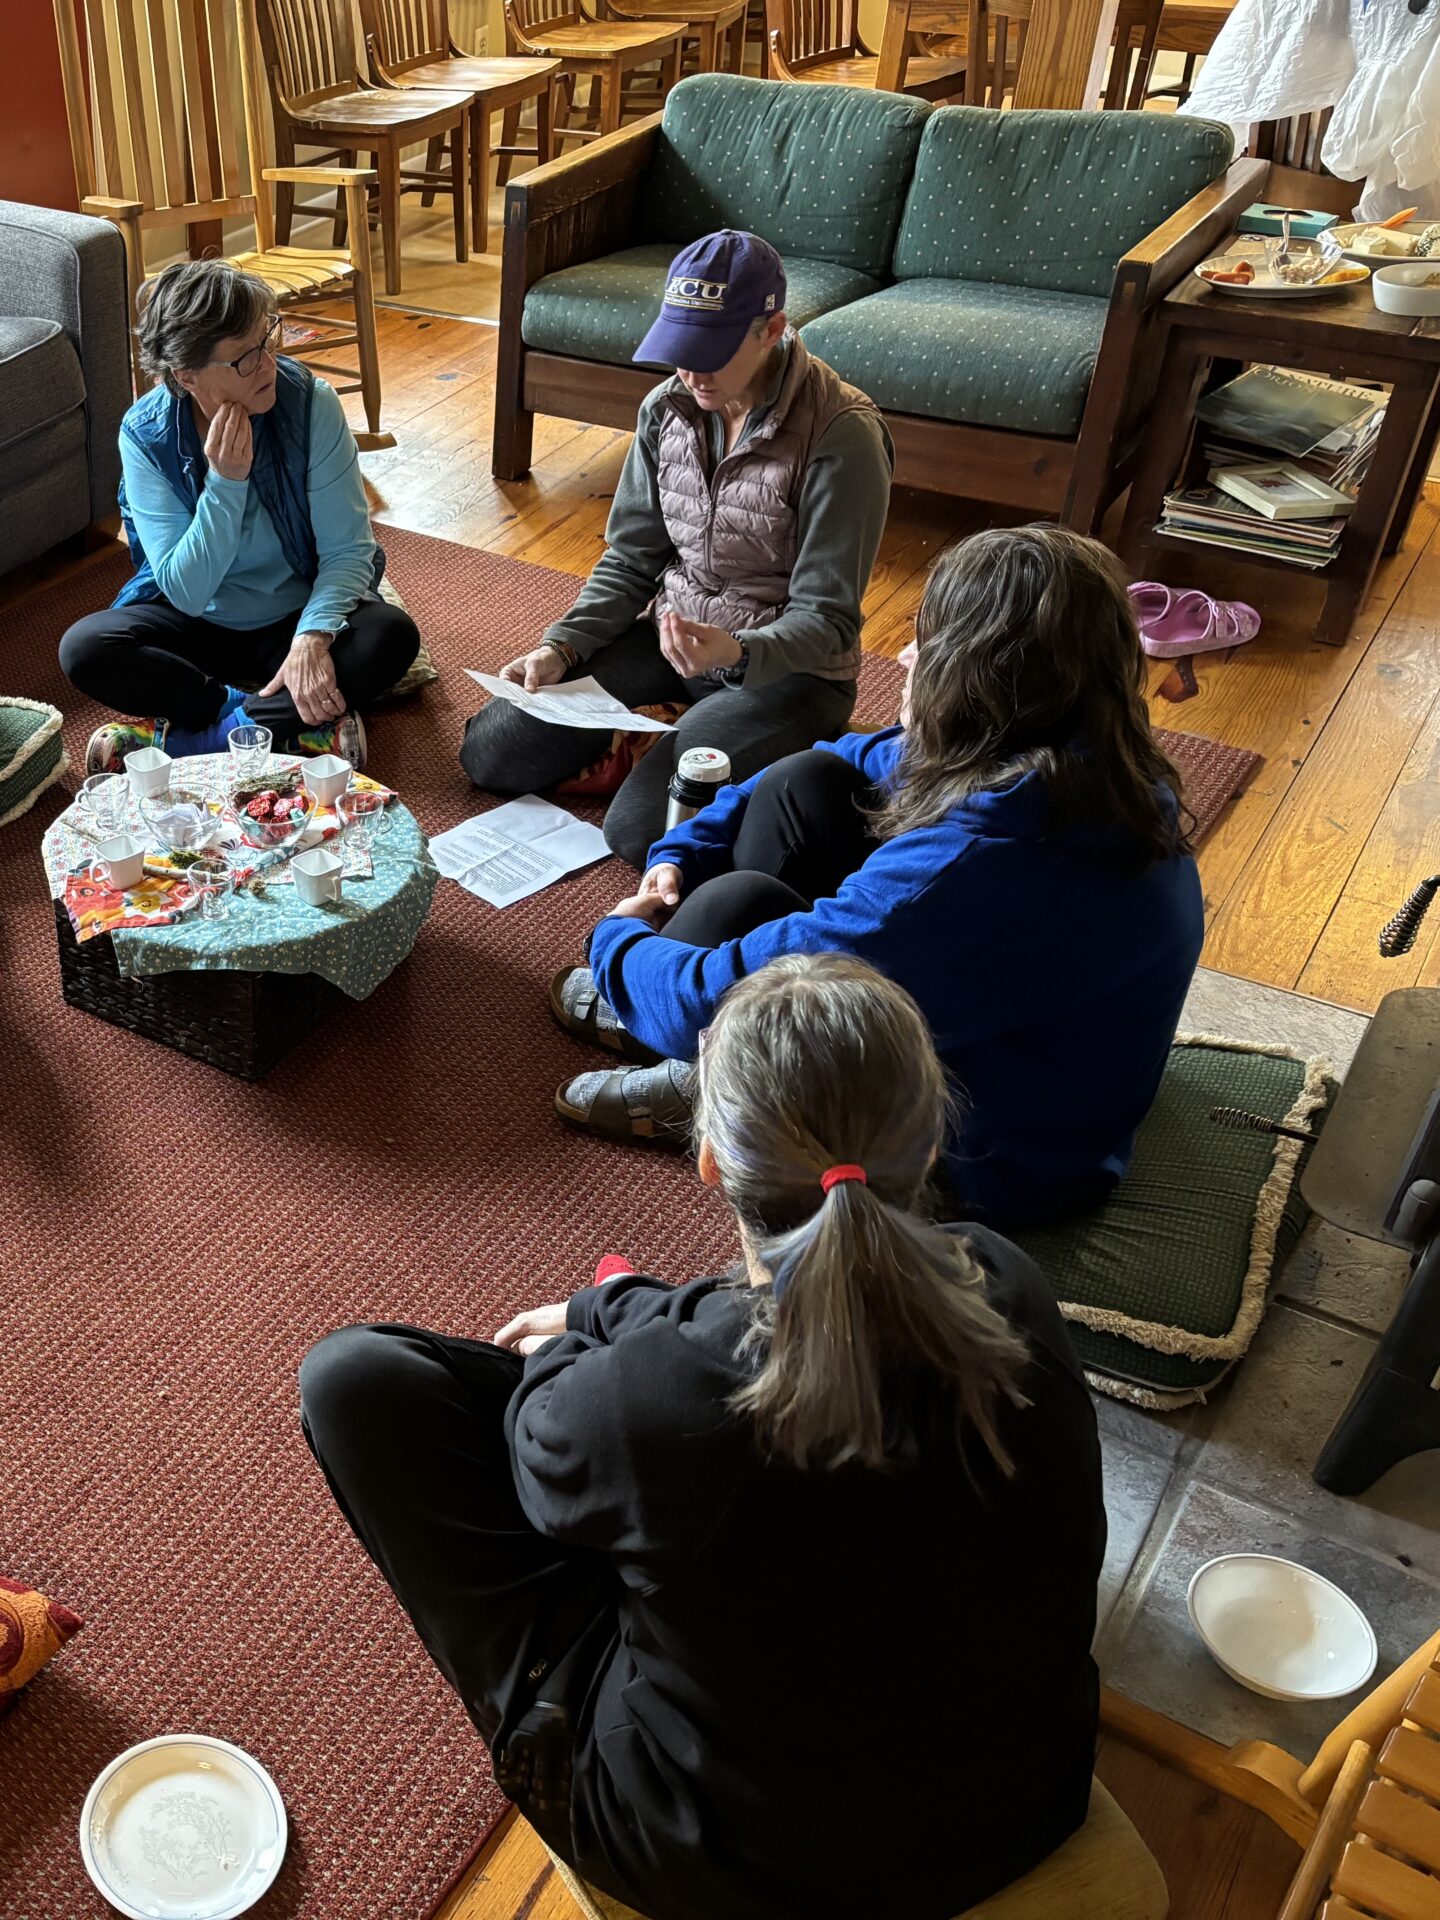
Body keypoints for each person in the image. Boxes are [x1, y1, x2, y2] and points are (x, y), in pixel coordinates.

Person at [301, 953, 1105, 1920]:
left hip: (738, 1875)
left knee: (353, 1381)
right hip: (1024, 1804)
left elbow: (540, 1449)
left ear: (711, 1159)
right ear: (928, 1144)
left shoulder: (658, 1405)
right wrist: (614, 1310)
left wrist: (586, 1338)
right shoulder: (1007, 1282)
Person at [556, 524, 1204, 1229]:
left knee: (727, 920)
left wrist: (617, 941)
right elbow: (845, 754)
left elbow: (711, 997)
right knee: (810, 782)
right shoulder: (1075, 759)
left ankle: (702, 1073)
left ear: (977, 674)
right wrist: (682, 848)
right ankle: (662, 1001)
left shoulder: (966, 873)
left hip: (987, 1170)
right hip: (1039, 1080)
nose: (905, 655)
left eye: (930, 642)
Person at [461, 230, 892, 870]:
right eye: (680, 350)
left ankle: (751, 750)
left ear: (772, 330)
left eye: (710, 353)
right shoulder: (667, 408)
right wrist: (563, 647)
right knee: (490, 751)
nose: (691, 372)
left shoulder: (841, 434)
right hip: (675, 639)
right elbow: (631, 559)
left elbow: (828, 621)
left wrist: (738, 651)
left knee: (642, 828)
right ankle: (676, 733)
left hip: (787, 673)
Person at [58, 259, 421, 772]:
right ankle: (278, 726)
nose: (269, 365)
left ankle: (201, 740)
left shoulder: (310, 405)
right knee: (86, 649)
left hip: (291, 620)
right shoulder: (146, 434)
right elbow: (185, 592)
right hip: (198, 623)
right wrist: (226, 483)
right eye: (245, 359)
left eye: (268, 339)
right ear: (186, 374)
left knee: (390, 635)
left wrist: (312, 638)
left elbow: (348, 552)